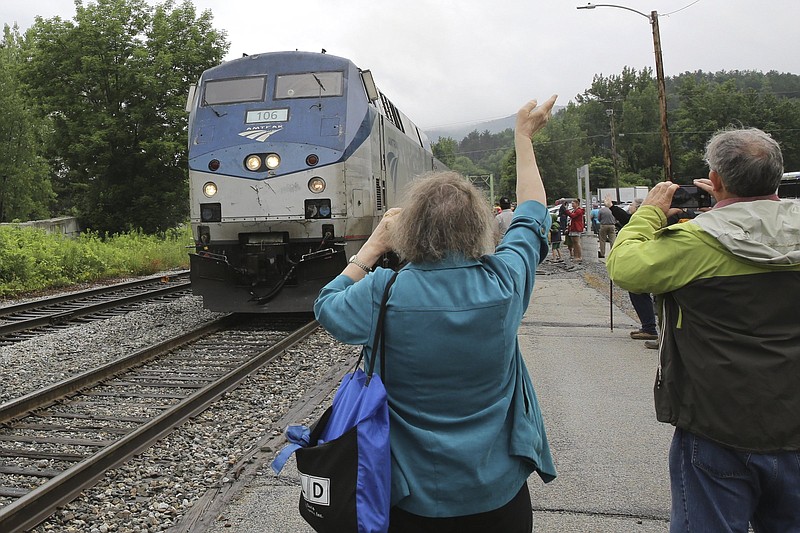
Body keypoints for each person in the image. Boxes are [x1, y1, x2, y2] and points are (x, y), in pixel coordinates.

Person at [314, 96, 559, 532]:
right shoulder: (505, 283)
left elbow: (327, 306)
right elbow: (532, 215)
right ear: (479, 225)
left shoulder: (383, 292)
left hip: (409, 497)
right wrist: (523, 139)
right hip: (498, 493)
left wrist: (373, 246)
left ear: (409, 229)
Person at [606, 127, 800, 533]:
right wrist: (730, 203)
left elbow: (624, 267)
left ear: (715, 181)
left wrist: (650, 213)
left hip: (718, 421)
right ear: (778, 176)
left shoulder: (696, 242)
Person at [605, 197, 658, 342]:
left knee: (638, 291)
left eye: (632, 205)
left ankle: (649, 327)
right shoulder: (655, 218)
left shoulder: (640, 220)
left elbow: (626, 219)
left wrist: (611, 206)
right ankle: (652, 327)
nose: (630, 207)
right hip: (653, 257)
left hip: (643, 258)